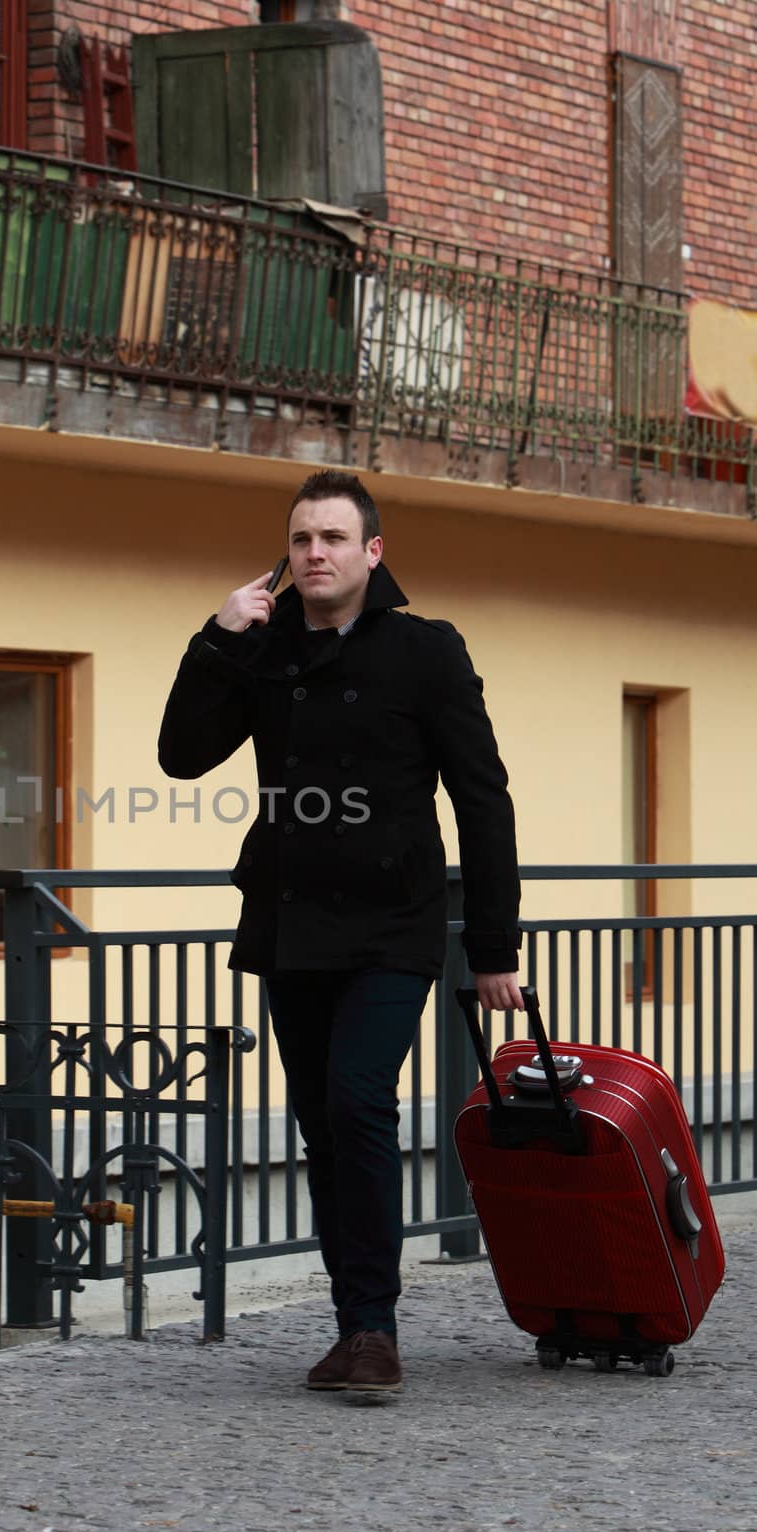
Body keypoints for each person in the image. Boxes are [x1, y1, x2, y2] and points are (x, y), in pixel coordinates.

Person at [158, 469, 522, 1400]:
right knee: (322, 1124)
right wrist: (216, 638)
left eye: (330, 538)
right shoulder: (267, 646)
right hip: (291, 919)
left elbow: (483, 800)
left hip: (394, 920)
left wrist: (491, 948)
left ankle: (376, 1330)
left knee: (360, 1102)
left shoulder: (426, 651)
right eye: (299, 541)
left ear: (372, 552)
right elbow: (182, 755)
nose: (313, 554)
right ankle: (353, 1322)